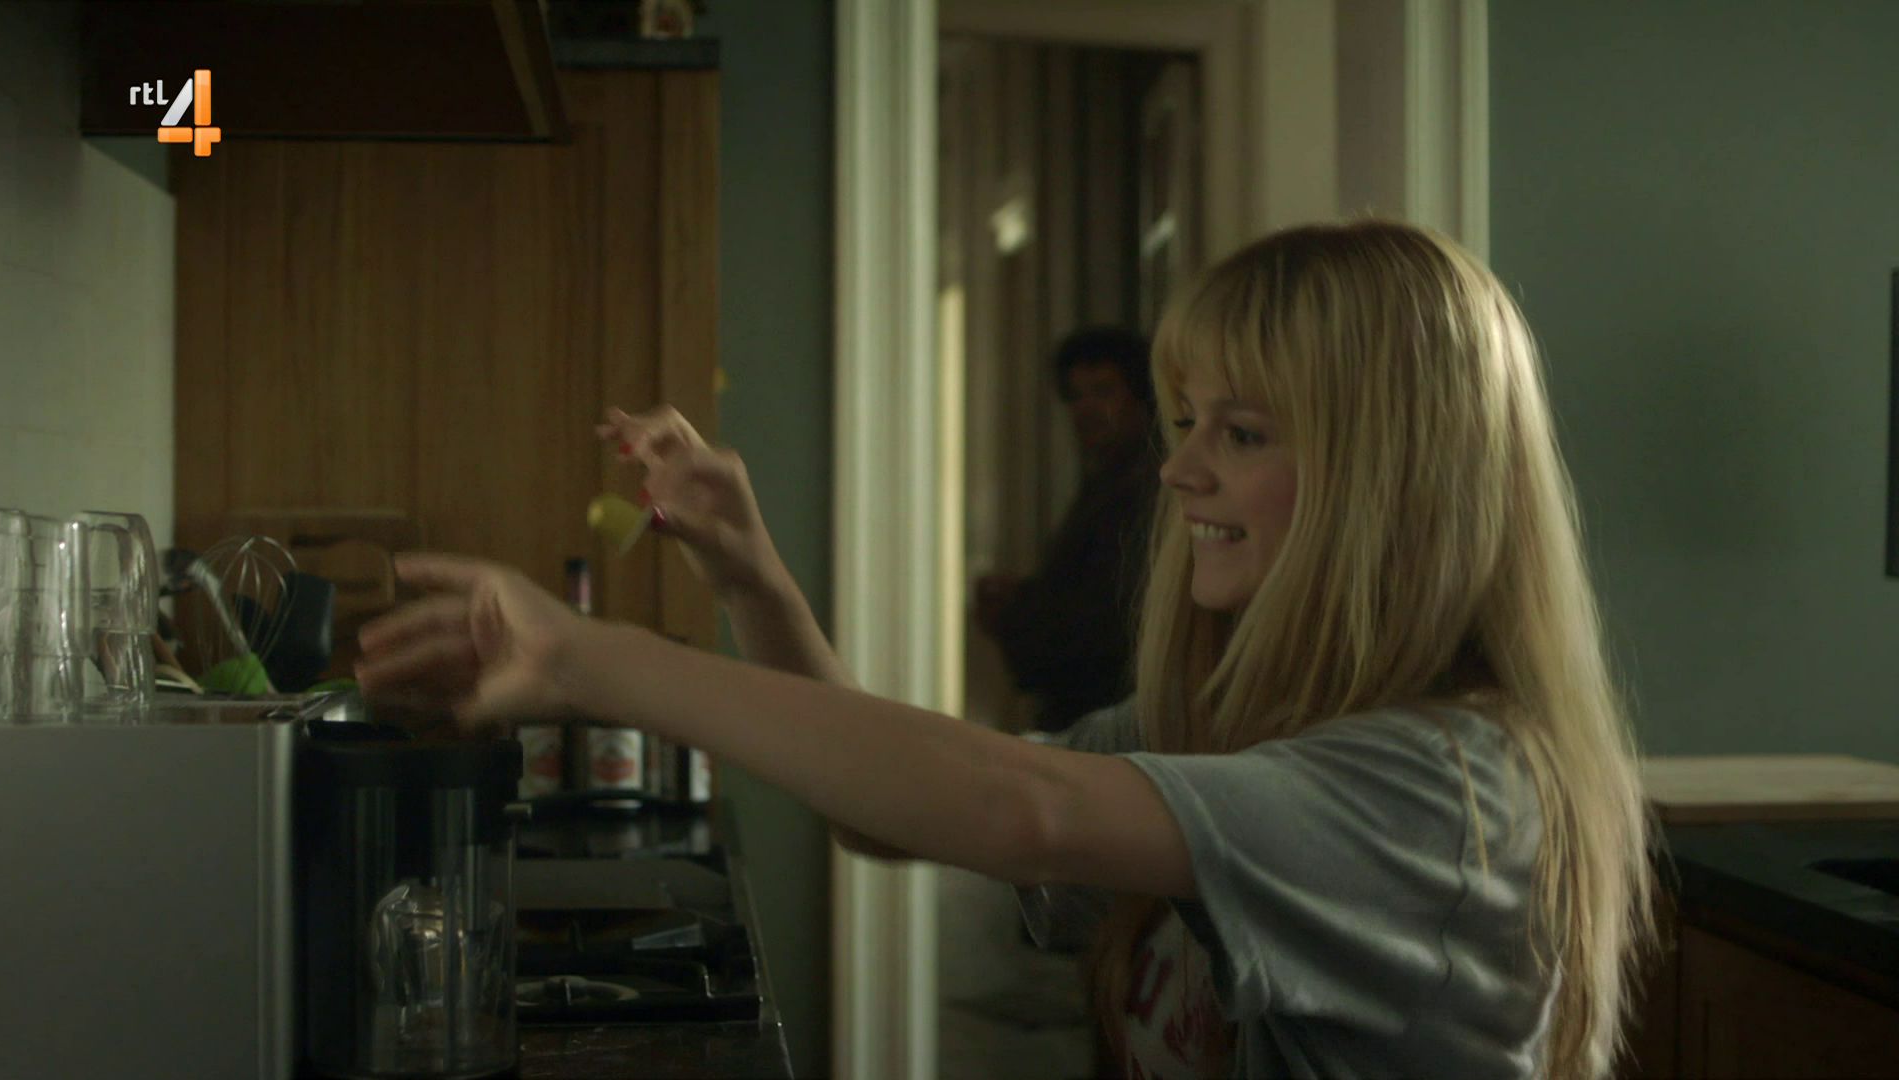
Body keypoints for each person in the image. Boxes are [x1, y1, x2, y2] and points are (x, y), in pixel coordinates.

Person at [356, 221, 1655, 1080]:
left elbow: (1018, 807)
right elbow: (893, 813)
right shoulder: (1234, 724)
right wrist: (748, 569)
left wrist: (591, 659)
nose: (1182, 468)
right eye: (1188, 420)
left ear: (1389, 482)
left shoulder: (1446, 788)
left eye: (1243, 432)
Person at [974, 327, 1161, 732]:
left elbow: (1110, 618)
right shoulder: (1107, 482)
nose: (1086, 409)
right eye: (1075, 396)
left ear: (1141, 397)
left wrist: (1014, 614)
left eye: (1103, 391)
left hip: (1114, 714)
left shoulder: (1148, 488)